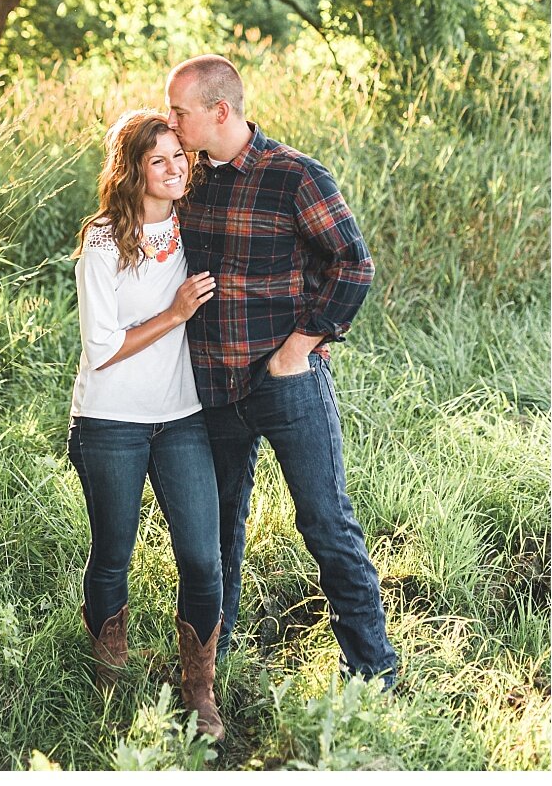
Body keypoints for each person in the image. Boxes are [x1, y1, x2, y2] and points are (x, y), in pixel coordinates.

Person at [164, 54, 398, 688]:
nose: (171, 122)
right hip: (210, 385)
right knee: (215, 531)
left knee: (325, 522)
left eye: (179, 112)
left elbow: (353, 263)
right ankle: (214, 661)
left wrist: (299, 347)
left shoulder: (294, 176)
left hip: (286, 382)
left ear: (220, 111)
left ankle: (372, 671)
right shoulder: (189, 180)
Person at [68, 110, 226, 740]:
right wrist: (176, 311)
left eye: (179, 158)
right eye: (157, 160)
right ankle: (111, 681)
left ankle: (199, 692)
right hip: (110, 420)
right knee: (113, 555)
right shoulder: (104, 241)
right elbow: (102, 346)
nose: (173, 170)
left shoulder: (196, 227)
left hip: (182, 416)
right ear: (131, 169)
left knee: (202, 557)